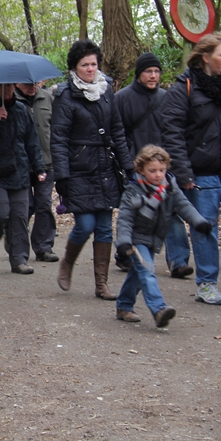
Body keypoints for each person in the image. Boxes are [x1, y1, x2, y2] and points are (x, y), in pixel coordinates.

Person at [51, 39, 133, 300]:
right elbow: (59, 138)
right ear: (75, 67)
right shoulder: (65, 95)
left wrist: (128, 165)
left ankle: (102, 284)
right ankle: (68, 262)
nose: (89, 68)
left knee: (105, 228)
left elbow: (117, 130)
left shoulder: (107, 90)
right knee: (85, 224)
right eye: (84, 64)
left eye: (93, 64)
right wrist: (61, 176)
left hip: (106, 166)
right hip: (78, 167)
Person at [115, 52, 193, 279]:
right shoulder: (123, 98)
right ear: (139, 73)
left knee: (173, 212)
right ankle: (125, 255)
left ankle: (178, 262)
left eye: (157, 71)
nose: (153, 75)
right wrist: (126, 162)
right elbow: (117, 133)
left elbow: (177, 131)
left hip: (163, 167)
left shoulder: (166, 97)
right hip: (136, 167)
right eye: (149, 71)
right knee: (135, 214)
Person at [114, 145, 211, 326]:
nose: (158, 175)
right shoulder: (133, 191)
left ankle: (124, 305)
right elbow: (125, 219)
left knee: (138, 273)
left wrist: (199, 222)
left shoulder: (170, 187)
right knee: (147, 270)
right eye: (152, 171)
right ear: (141, 170)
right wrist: (124, 242)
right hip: (136, 239)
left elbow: (184, 205)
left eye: (161, 170)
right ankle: (159, 309)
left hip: (153, 238)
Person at [161, 32, 221, 305]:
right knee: (205, 227)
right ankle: (207, 284)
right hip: (202, 172)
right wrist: (184, 173)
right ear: (205, 57)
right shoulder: (183, 88)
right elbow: (171, 132)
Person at [0, 84, 46, 275]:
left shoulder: (21, 109)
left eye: (10, 87)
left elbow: (32, 141)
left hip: (19, 170)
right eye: (3, 87)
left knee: (20, 216)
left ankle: (19, 260)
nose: (7, 90)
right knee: (0, 213)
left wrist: (39, 167)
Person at [15, 82, 58, 262]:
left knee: (44, 204)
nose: (32, 87)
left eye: (35, 83)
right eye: (27, 84)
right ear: (17, 83)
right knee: (25, 206)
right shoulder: (10, 101)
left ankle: (44, 247)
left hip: (47, 162)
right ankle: (16, 244)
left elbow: (57, 129)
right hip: (20, 164)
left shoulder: (48, 98)